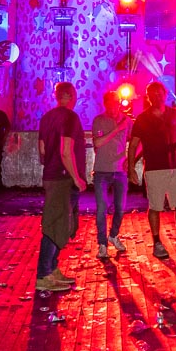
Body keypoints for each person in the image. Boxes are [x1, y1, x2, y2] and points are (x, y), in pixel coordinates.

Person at [128, 82, 176, 258]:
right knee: (155, 207)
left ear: (165, 94)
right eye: (153, 94)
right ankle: (157, 243)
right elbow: (134, 145)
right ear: (148, 97)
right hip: (154, 168)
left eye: (159, 93)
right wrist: (131, 167)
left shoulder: (174, 114)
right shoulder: (142, 119)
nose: (157, 97)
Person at [36, 81, 87, 291]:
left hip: (51, 175)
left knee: (60, 224)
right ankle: (43, 275)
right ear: (71, 95)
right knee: (55, 225)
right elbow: (66, 151)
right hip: (63, 179)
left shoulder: (47, 117)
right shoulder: (70, 117)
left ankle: (52, 268)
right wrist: (76, 177)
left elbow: (42, 150)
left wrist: (51, 164)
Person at [91, 91, 131, 259]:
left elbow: (133, 141)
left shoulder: (127, 120)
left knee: (120, 208)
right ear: (105, 103)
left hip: (120, 169)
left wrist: (130, 159)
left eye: (116, 102)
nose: (114, 106)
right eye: (110, 102)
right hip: (102, 170)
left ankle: (113, 235)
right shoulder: (99, 120)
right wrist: (117, 129)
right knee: (101, 208)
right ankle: (102, 244)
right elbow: (98, 142)